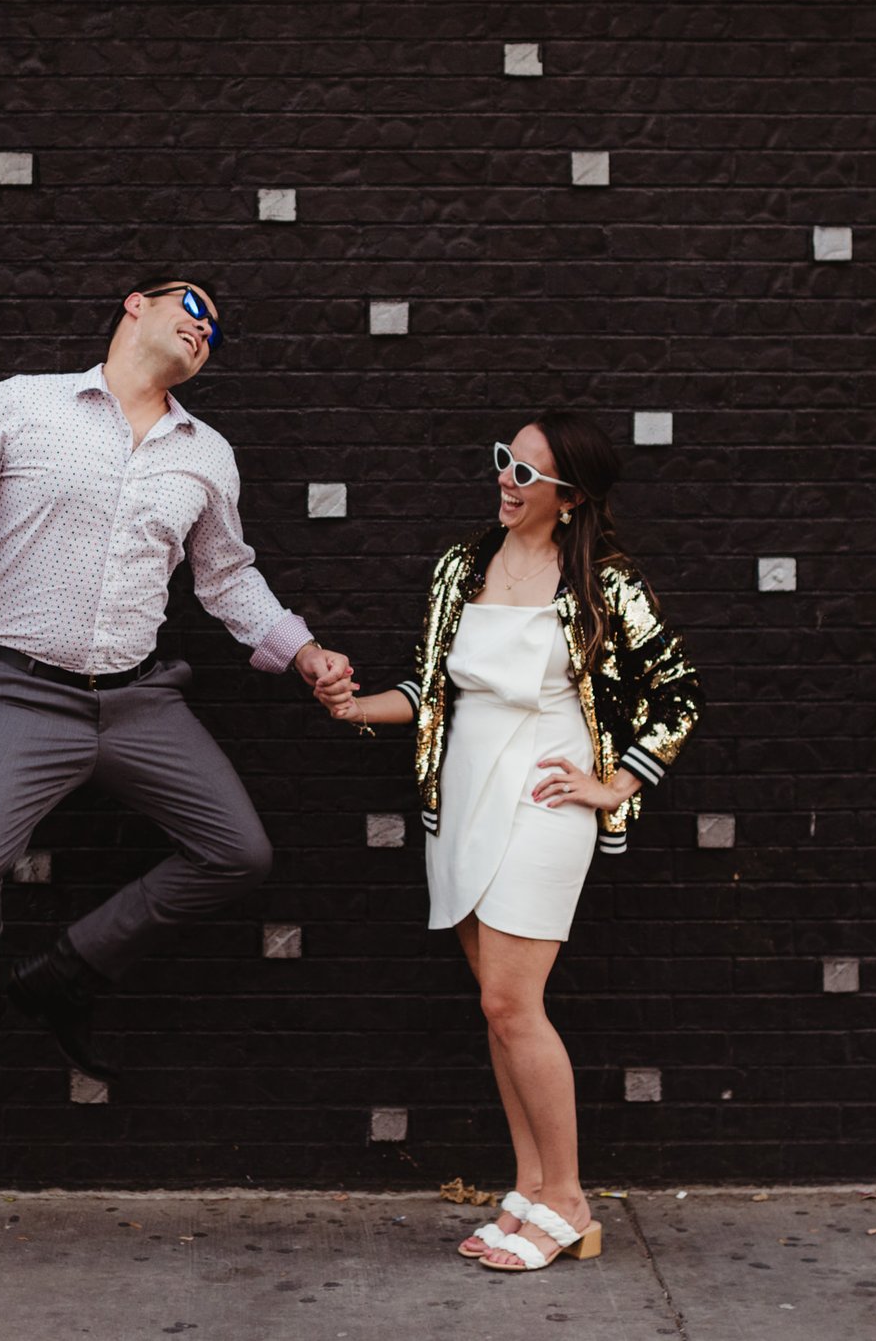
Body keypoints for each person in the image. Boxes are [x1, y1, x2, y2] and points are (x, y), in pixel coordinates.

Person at [0, 278, 356, 1095]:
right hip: (17, 691)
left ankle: (66, 974)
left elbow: (226, 577)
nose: (206, 330)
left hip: (142, 700)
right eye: (195, 308)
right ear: (136, 304)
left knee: (238, 853)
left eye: (218, 332)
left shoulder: (206, 454)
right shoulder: (19, 406)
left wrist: (303, 649)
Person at [321, 413, 702, 1273]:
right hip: (461, 797)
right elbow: (431, 690)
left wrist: (614, 785)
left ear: (570, 500)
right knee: (497, 1009)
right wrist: (353, 707)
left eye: (526, 473)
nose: (506, 479)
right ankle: (528, 1189)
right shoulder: (463, 566)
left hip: (544, 796)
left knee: (510, 1003)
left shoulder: (606, 583)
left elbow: (680, 692)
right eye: (504, 461)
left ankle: (568, 1199)